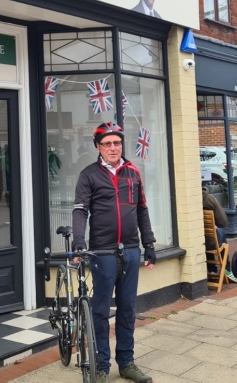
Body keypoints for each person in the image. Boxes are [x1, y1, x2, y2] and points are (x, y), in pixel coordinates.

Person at [72, 122, 156, 383]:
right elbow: (80, 211)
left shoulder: (132, 173)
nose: (112, 147)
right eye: (107, 143)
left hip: (130, 250)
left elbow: (141, 210)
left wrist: (149, 244)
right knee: (100, 310)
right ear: (98, 147)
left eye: (117, 143)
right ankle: (101, 365)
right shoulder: (89, 175)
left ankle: (127, 362)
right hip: (102, 251)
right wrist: (78, 241)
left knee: (128, 308)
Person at [202, 192, 237, 283]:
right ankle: (227, 269)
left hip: (200, 242)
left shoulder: (188, 200)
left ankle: (212, 270)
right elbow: (223, 222)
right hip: (213, 243)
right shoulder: (209, 199)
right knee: (219, 233)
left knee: (207, 236)